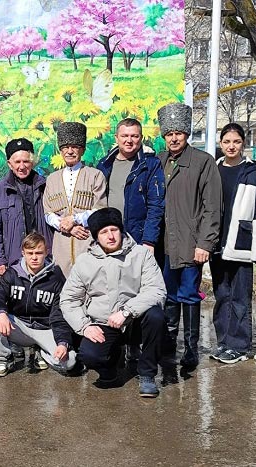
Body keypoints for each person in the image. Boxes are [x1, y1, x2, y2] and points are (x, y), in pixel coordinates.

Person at [60, 208, 168, 397]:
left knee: (156, 316)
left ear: (121, 230)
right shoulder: (85, 262)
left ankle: (147, 374)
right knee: (89, 355)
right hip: (104, 323)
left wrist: (127, 311)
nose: (110, 236)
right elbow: (68, 300)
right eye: (103, 232)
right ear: (96, 237)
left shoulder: (141, 254)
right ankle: (110, 367)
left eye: (114, 229)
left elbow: (157, 290)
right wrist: (85, 327)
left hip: (135, 321)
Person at [96, 117, 165, 369]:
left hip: (137, 240)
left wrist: (149, 239)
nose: (129, 140)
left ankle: (135, 346)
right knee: (111, 289)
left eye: (134, 136)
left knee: (137, 292)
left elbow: (156, 206)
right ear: (116, 137)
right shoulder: (104, 165)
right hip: (110, 240)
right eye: (125, 135)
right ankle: (115, 343)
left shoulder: (150, 165)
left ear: (141, 138)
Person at [157, 102, 222, 371]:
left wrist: (205, 243)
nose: (174, 138)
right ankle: (170, 344)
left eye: (179, 133)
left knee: (189, 295)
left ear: (187, 134)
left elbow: (212, 206)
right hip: (163, 244)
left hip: (190, 242)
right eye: (169, 133)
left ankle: (191, 348)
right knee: (168, 295)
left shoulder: (202, 162)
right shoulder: (157, 161)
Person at [209, 123, 256, 365]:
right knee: (221, 294)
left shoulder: (251, 172)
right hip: (217, 242)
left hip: (240, 240)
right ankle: (224, 342)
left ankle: (240, 345)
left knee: (240, 297)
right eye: (226, 142)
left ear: (243, 144)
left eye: (236, 142)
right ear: (220, 144)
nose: (231, 146)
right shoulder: (214, 169)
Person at [0, 232, 76, 377]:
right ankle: (5, 359)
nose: (34, 257)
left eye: (39, 253)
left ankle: (42, 351)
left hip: (45, 329)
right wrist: (1, 313)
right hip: (20, 327)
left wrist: (62, 342)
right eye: (30, 253)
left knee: (69, 362)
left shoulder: (56, 278)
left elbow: (59, 314)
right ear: (23, 253)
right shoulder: (12, 273)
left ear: (46, 252)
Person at [43, 121, 107, 276]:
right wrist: (67, 227)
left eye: (75, 147)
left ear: (82, 150)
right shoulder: (52, 179)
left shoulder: (95, 175)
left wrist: (75, 219)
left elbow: (100, 209)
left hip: (86, 241)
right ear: (60, 150)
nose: (70, 151)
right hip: (62, 244)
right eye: (65, 147)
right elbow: (48, 213)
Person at [0, 138, 52, 273]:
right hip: (14, 258)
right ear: (9, 164)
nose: (22, 166)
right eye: (17, 162)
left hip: (43, 257)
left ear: (33, 162)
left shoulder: (46, 185)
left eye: (26, 161)